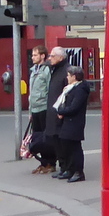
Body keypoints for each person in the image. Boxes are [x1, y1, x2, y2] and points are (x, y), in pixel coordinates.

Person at [52, 65, 91, 183]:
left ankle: (79, 172)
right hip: (68, 121)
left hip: (75, 121)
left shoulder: (80, 89)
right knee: (65, 144)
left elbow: (74, 107)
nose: (67, 78)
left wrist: (61, 111)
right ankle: (70, 169)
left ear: (74, 77)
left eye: (68, 75)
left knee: (75, 147)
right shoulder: (70, 88)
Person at [27, 45, 56, 174]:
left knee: (46, 138)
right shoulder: (34, 70)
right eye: (32, 55)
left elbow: (50, 90)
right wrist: (30, 111)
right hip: (35, 109)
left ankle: (50, 162)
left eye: (35, 55)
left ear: (42, 56)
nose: (32, 57)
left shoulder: (47, 71)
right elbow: (31, 92)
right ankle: (43, 163)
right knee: (37, 138)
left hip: (44, 108)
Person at [42, 47, 70, 175]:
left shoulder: (66, 71)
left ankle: (66, 167)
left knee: (63, 142)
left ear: (60, 57)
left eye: (52, 56)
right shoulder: (55, 70)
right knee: (56, 141)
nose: (50, 58)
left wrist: (63, 111)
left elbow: (68, 94)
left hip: (61, 114)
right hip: (53, 113)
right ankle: (63, 167)